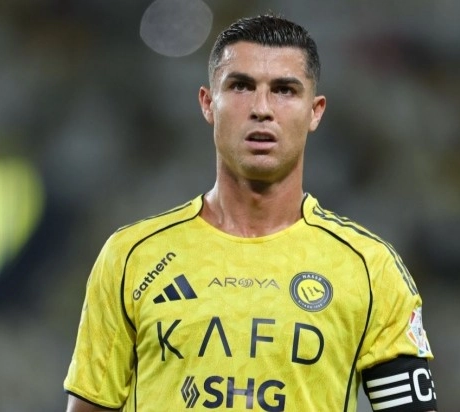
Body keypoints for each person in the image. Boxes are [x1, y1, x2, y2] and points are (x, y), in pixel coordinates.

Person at [63, 14, 438, 412]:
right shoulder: (131, 257)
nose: (261, 108)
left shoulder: (370, 269)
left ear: (315, 111)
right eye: (241, 86)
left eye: (284, 90)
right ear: (208, 103)